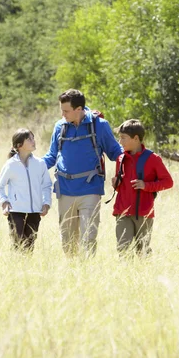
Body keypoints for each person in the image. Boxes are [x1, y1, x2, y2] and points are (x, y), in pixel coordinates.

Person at [42, 89, 122, 257]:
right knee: (68, 240)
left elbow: (116, 152)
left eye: (66, 111)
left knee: (88, 237)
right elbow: (51, 156)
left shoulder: (100, 126)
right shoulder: (60, 126)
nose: (62, 114)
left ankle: (88, 274)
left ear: (79, 109)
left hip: (90, 190)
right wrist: (29, 165)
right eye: (61, 110)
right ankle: (73, 275)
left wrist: (139, 158)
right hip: (65, 190)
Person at [111, 119, 173, 257]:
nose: (120, 142)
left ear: (136, 138)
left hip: (144, 213)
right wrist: (116, 183)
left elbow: (168, 182)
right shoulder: (120, 159)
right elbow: (120, 187)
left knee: (143, 251)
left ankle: (143, 274)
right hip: (122, 211)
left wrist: (146, 186)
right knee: (123, 249)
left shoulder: (153, 159)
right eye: (119, 137)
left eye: (123, 138)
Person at [0, 128, 53, 252]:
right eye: (29, 139)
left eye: (33, 138)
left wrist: (46, 203)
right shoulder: (10, 164)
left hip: (35, 211)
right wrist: (4, 202)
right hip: (15, 211)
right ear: (19, 145)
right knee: (17, 244)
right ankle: (15, 268)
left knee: (29, 246)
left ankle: (26, 268)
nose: (33, 141)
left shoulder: (40, 163)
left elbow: (46, 185)